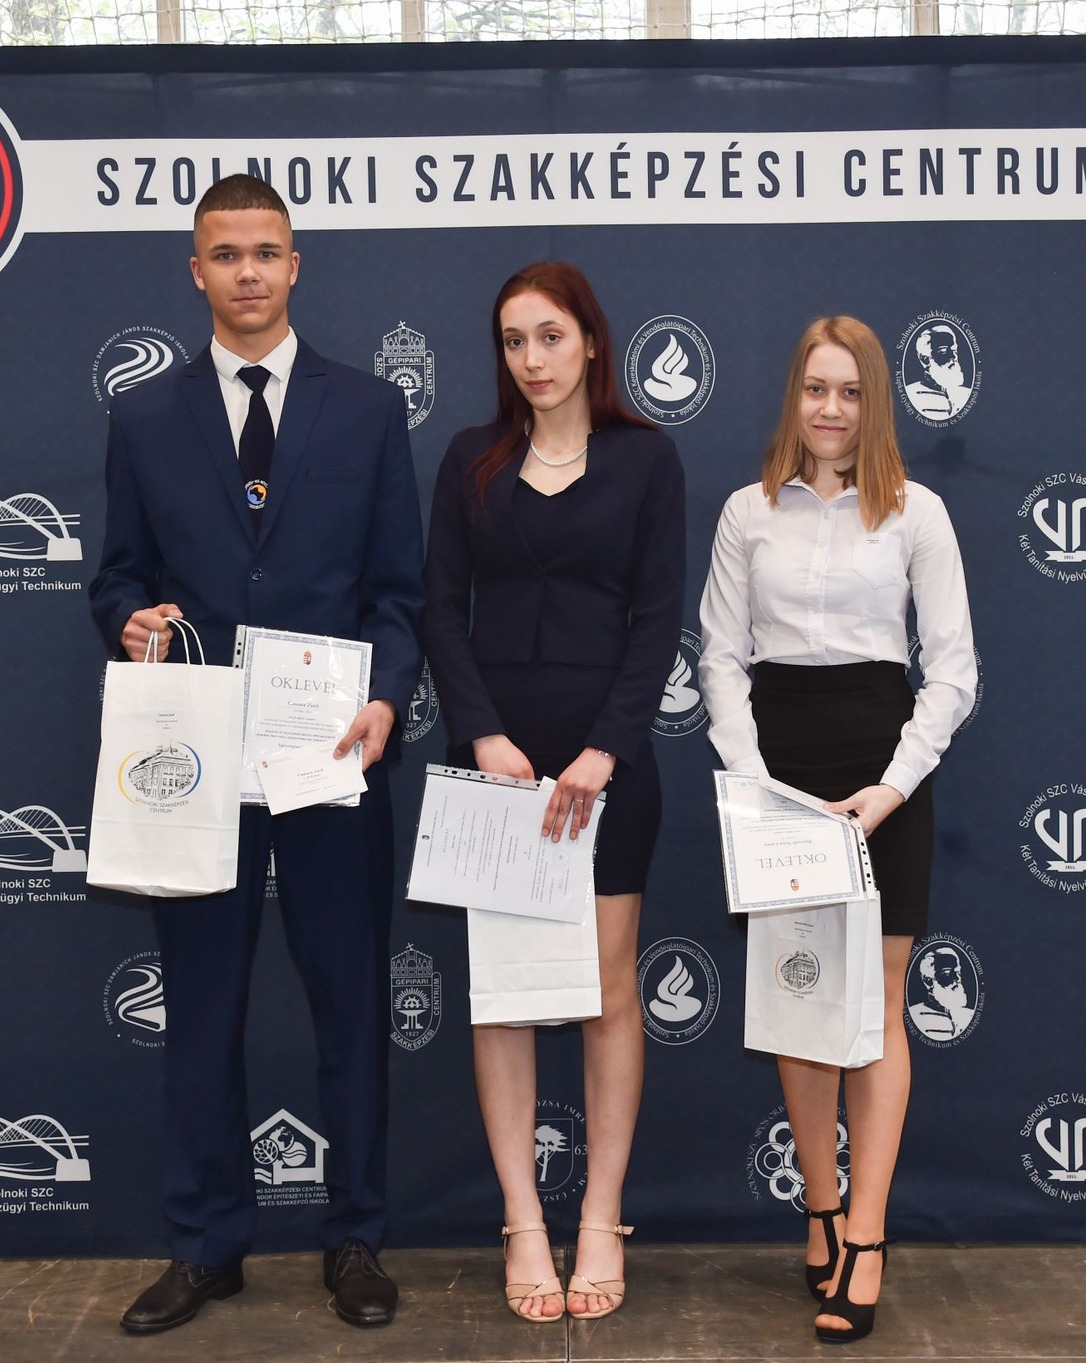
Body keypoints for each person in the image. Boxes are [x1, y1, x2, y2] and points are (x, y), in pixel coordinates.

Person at [87, 174, 424, 1337]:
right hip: (193, 763)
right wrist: (128, 620)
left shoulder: (367, 409)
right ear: (196, 271)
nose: (247, 271)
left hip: (331, 752)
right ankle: (205, 1246)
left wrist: (386, 698)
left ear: (294, 265)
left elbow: (397, 592)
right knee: (200, 1007)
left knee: (349, 1004)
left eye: (265, 252)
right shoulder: (144, 416)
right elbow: (116, 576)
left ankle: (355, 1238)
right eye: (225, 253)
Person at [698, 315, 975, 1346]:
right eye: (816, 388)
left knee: (879, 1004)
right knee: (801, 999)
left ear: (874, 403)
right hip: (778, 771)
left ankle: (866, 1232)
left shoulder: (917, 513)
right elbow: (719, 657)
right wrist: (755, 783)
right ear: (794, 397)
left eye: (850, 391)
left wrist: (891, 788)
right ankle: (818, 1206)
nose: (830, 408)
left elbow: (952, 671)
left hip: (880, 770)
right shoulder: (746, 511)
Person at [420, 261, 686, 1324]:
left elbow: (657, 616)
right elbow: (439, 607)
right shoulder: (469, 459)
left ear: (590, 341)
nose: (531, 358)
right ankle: (523, 1220)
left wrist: (604, 749)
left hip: (604, 766)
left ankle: (600, 1218)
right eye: (512, 340)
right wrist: (482, 734)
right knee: (505, 994)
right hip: (498, 763)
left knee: (608, 991)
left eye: (549, 336)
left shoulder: (646, 458)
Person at [902, 322, 973, 422]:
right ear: (925, 359)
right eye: (943, 351)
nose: (954, 357)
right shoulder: (910, 395)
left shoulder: (967, 394)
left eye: (954, 351)